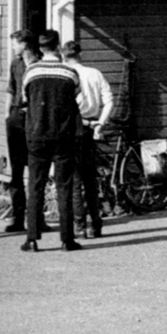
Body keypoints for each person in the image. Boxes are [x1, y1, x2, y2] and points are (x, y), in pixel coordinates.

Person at [21, 30, 81, 252]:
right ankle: (67, 239)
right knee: (64, 186)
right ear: (57, 46)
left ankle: (32, 239)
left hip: (37, 134)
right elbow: (77, 96)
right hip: (63, 135)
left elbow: (24, 99)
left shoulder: (31, 71)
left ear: (40, 48)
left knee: (35, 185)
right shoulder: (70, 72)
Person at [62, 40, 115, 238]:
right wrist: (101, 122)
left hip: (74, 128)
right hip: (92, 127)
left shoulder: (66, 75)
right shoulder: (95, 73)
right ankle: (96, 224)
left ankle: (79, 225)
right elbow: (109, 100)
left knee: (75, 180)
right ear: (80, 54)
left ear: (64, 56)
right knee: (90, 180)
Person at [3, 30, 37, 233]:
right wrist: (7, 114)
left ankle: (36, 217)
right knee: (16, 170)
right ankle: (17, 217)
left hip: (33, 118)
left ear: (24, 45)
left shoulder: (39, 64)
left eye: (15, 44)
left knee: (35, 169)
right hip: (16, 117)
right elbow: (10, 88)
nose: (14, 48)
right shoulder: (15, 64)